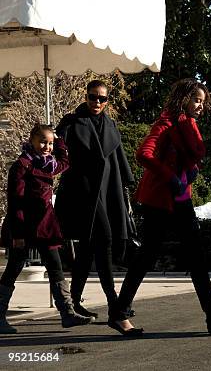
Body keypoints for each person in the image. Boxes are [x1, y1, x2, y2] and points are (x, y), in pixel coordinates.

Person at [109, 78, 211, 336]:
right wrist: (170, 176)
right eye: (196, 100)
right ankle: (118, 314)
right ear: (183, 99)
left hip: (181, 200)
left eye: (203, 101)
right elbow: (143, 154)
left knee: (197, 258)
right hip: (159, 201)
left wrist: (189, 171)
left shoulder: (188, 125)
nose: (200, 106)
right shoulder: (166, 123)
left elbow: (191, 155)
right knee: (146, 258)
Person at [54, 80, 135, 324]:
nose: (96, 102)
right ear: (86, 96)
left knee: (88, 250)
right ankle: (115, 305)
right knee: (105, 241)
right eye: (92, 97)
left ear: (107, 101)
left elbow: (118, 157)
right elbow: (58, 152)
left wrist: (127, 186)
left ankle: (74, 303)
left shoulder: (110, 124)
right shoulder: (71, 122)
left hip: (107, 190)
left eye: (102, 98)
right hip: (83, 192)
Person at [0, 124, 93, 333]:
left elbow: (65, 162)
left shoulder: (48, 164)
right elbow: (15, 202)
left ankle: (67, 313)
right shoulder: (22, 165)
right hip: (24, 226)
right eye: (43, 141)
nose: (46, 147)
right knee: (14, 268)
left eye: (49, 143)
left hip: (46, 226)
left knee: (55, 267)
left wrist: (59, 139)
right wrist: (18, 234)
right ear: (32, 139)